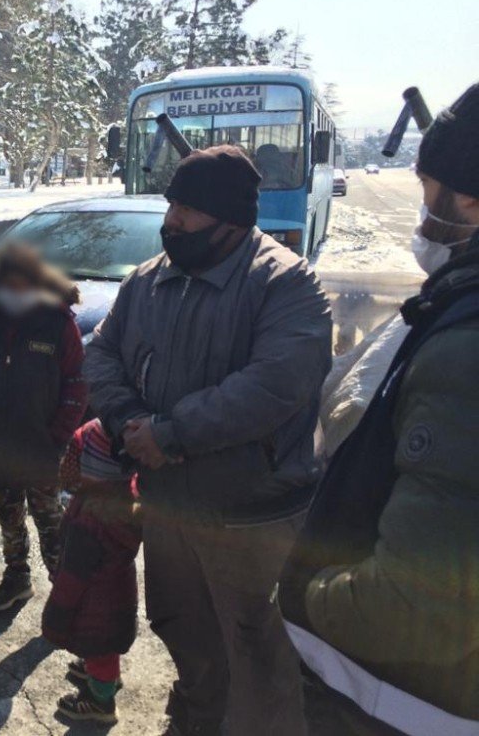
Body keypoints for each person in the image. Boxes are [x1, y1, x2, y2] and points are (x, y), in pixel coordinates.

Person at [85, 145, 332, 736]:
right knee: (181, 628)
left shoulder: (286, 283)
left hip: (251, 518)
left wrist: (171, 434)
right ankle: (197, 719)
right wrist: (129, 424)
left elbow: (276, 385)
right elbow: (101, 353)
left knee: (258, 655)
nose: (172, 221)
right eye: (172, 204)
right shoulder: (148, 280)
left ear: (233, 220)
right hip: (171, 509)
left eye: (189, 210)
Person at [279, 83, 479, 736]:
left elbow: (416, 607)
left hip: (405, 702)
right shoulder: (451, 312)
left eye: (428, 191)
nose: (425, 218)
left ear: (470, 199)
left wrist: (307, 592)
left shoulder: (465, 349)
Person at [0, 243, 88, 614]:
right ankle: (17, 579)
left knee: (50, 517)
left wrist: (60, 432)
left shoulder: (58, 321)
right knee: (8, 515)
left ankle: (65, 591)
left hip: (42, 443)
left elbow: (77, 379)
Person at [43, 418, 141, 726]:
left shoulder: (90, 522)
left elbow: (72, 581)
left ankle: (101, 701)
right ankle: (104, 677)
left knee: (101, 652)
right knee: (103, 648)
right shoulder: (125, 498)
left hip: (94, 609)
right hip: (115, 601)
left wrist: (55, 619)